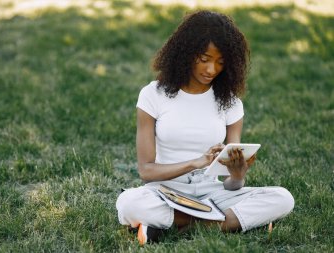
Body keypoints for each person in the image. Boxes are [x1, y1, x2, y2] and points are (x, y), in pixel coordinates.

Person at [116, 10, 294, 245]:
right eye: (204, 59)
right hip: (166, 192)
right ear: (186, 53)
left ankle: (178, 226)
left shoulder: (230, 102)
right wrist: (196, 162)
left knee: (283, 198)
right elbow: (146, 171)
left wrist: (238, 176)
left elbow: (231, 184)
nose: (212, 69)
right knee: (129, 203)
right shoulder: (153, 95)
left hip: (213, 195)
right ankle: (227, 223)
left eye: (220, 62)